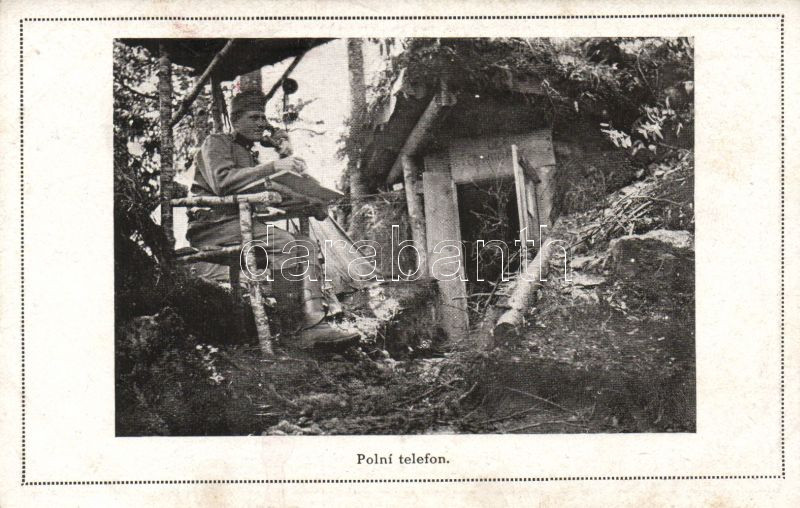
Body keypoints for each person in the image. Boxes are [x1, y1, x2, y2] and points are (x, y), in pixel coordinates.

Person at [186, 90, 358, 349]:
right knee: (287, 243)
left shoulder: (250, 154)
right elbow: (223, 183)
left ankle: (312, 323)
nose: (261, 124)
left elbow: (270, 193)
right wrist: (274, 167)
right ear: (235, 119)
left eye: (263, 118)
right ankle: (294, 331)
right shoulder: (217, 143)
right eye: (254, 117)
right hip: (212, 227)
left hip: (242, 224)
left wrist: (311, 201)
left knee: (305, 246)